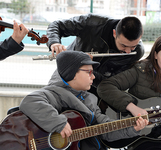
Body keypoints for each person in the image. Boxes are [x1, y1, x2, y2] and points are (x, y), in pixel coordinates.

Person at [19, 51, 148, 150]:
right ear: (73, 74)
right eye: (89, 72)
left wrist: (133, 128)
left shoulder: (89, 99)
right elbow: (30, 101)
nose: (93, 77)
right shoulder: (55, 93)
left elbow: (104, 129)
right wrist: (58, 123)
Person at [97, 33, 161, 150]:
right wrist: (132, 107)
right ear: (155, 55)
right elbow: (105, 87)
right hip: (144, 135)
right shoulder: (141, 71)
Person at [46, 13, 144, 113]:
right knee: (51, 104)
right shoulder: (93, 23)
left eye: (133, 47)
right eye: (123, 45)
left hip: (97, 84)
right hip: (70, 71)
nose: (128, 51)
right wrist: (54, 42)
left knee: (88, 119)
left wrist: (89, 67)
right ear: (114, 33)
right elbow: (56, 25)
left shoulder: (137, 52)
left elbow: (112, 81)